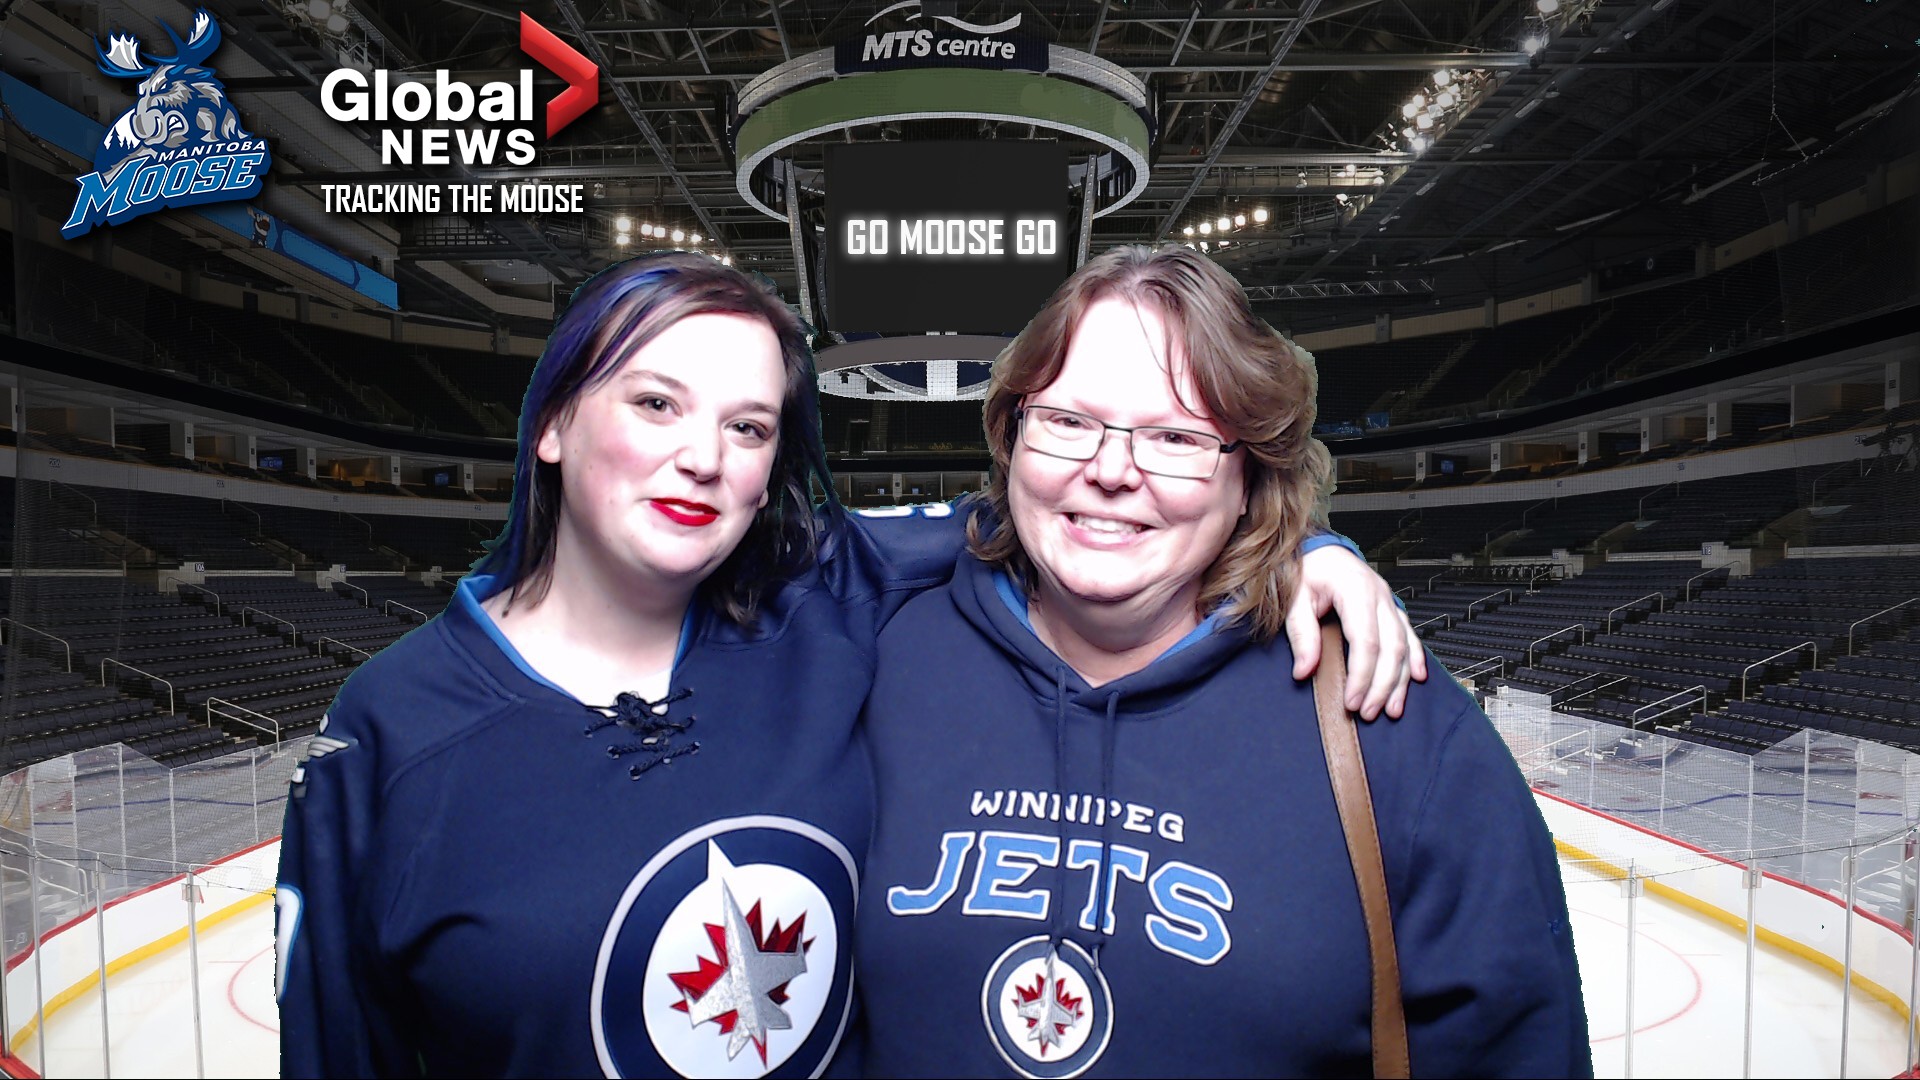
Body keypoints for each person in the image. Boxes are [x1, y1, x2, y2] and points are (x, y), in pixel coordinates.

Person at [275, 251, 1421, 1078]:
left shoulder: (830, 603)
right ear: (553, 423)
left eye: (749, 427)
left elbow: (1092, 512)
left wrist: (1308, 546)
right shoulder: (387, 733)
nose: (702, 456)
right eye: (657, 402)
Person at [856, 245, 1589, 1078]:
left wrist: (1313, 544)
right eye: (1067, 422)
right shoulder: (882, 656)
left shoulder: (1396, 727)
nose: (1109, 471)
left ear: (1250, 476)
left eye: (1175, 437)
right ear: (1011, 436)